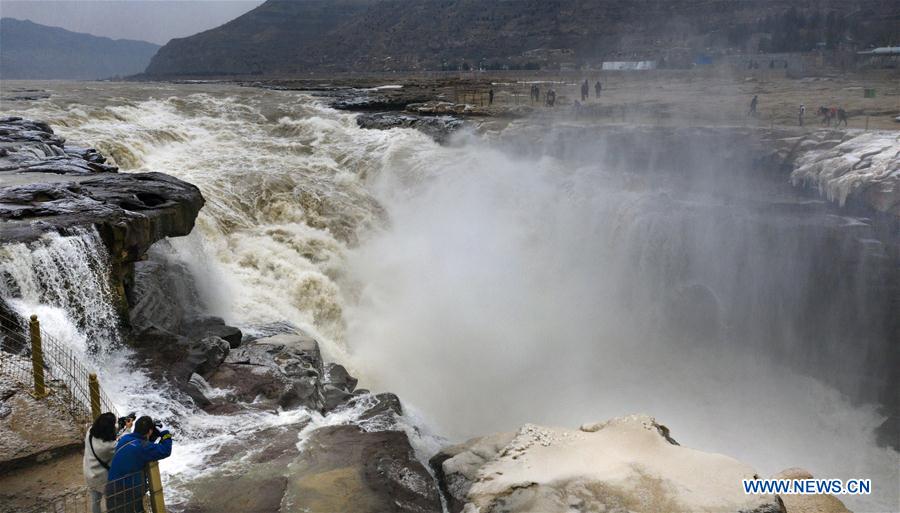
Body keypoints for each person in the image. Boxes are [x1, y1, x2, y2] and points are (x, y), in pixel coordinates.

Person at [106, 416, 172, 513]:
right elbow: (166, 450)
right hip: (128, 492)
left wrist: (151, 437)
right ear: (149, 431)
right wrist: (165, 432)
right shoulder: (143, 447)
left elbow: (140, 445)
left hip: (111, 487)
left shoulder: (125, 438)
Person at [83, 413, 118, 513]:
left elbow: (105, 429)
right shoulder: (109, 446)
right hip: (101, 479)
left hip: (89, 473)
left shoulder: (90, 431)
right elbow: (120, 445)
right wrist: (127, 429)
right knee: (110, 499)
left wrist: (119, 425)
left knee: (95, 501)